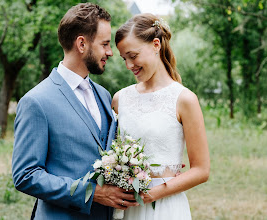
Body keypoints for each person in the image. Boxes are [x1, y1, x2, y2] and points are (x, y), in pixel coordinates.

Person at [12, 3, 138, 220]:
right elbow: (26, 175)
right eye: (105, 44)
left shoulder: (104, 95)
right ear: (81, 43)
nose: (110, 52)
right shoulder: (36, 101)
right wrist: (92, 193)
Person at [112, 13, 210, 220]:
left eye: (133, 55)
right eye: (124, 59)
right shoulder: (120, 99)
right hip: (129, 207)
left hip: (166, 206)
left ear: (156, 44)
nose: (129, 65)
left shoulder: (184, 99)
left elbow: (201, 170)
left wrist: (154, 193)